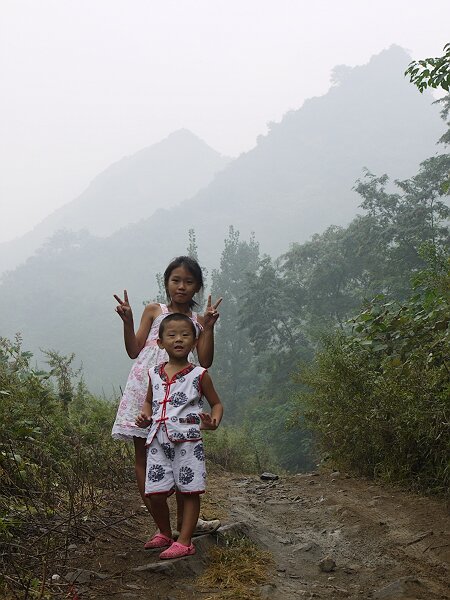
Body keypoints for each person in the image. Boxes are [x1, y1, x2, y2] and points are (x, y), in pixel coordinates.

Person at [111, 256, 222, 544]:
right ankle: (162, 528)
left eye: (188, 281)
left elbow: (206, 360)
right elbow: (135, 350)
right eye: (176, 280)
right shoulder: (153, 310)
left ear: (197, 287)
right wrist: (128, 321)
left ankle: (186, 524)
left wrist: (208, 328)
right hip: (145, 387)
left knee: (180, 455)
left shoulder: (198, 321)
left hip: (178, 396)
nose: (181, 286)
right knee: (144, 457)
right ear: (167, 283)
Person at [136, 312, 223, 559]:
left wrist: (213, 421)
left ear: (194, 342)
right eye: (171, 335)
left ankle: (184, 541)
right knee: (155, 491)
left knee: (189, 490)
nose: (178, 339)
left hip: (187, 440)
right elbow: (148, 402)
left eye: (185, 335)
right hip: (157, 440)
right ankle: (165, 532)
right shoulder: (154, 373)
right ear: (160, 342)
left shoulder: (199, 375)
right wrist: (144, 415)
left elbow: (216, 404)